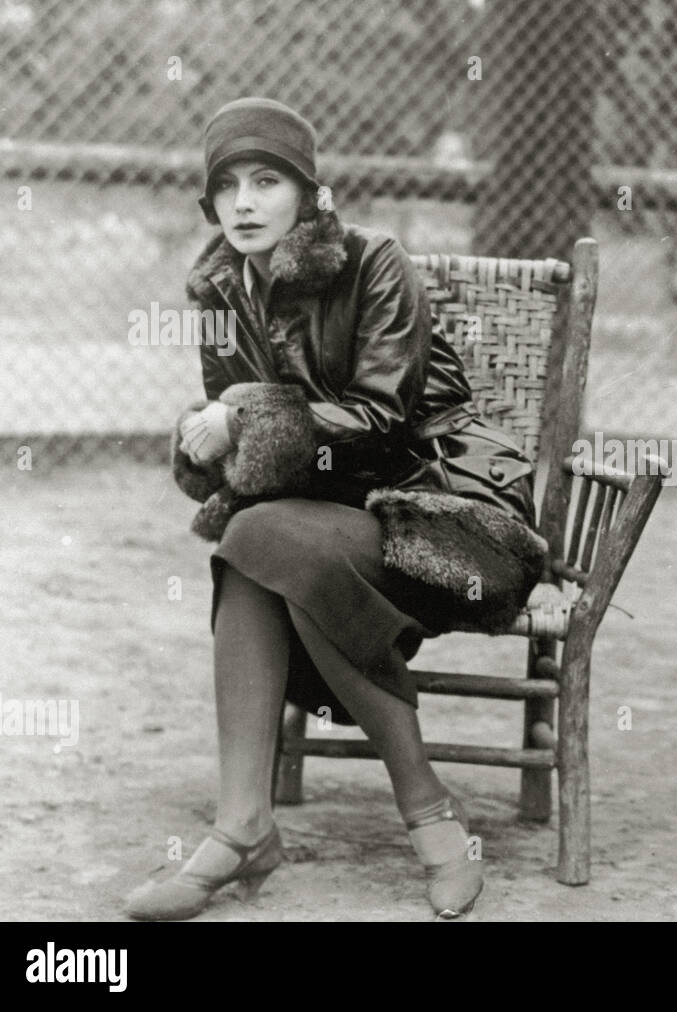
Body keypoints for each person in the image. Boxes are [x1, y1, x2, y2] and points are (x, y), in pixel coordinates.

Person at [124, 97, 539, 921]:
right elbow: (257, 461)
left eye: (267, 180)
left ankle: (299, 822)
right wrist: (211, 443)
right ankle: (302, 822)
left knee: (262, 540)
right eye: (227, 186)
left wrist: (243, 421)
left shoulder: (375, 261)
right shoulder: (219, 289)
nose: (243, 202)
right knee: (258, 536)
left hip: (444, 514)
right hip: (321, 529)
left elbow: (384, 421)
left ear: (309, 194)